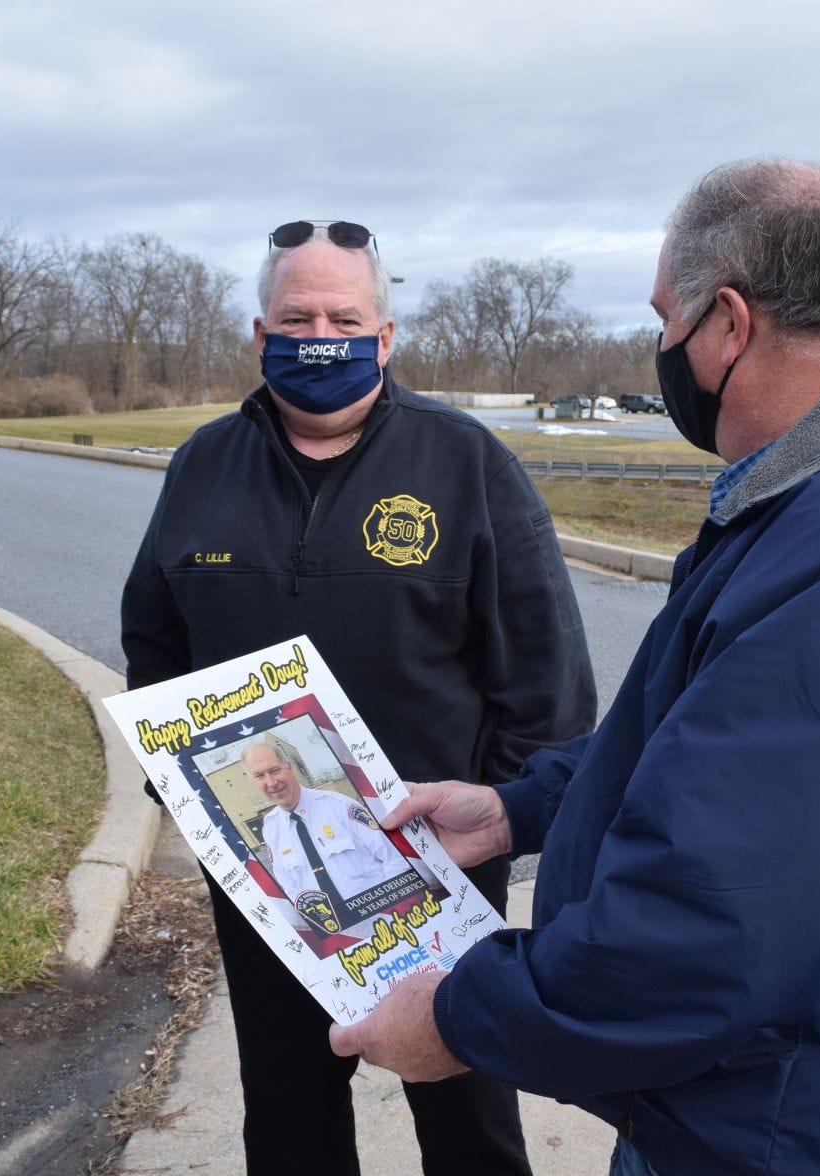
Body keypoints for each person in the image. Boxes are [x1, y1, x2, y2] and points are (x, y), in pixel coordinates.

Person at [330, 161, 820, 1176]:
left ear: (724, 326)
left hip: (797, 1129)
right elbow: (710, 753)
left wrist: (459, 1019)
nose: (660, 346)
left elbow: (707, 920)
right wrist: (516, 809)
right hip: (771, 1101)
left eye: (663, 318)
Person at [122, 218, 596, 1176]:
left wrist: (504, 818)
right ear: (260, 335)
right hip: (270, 875)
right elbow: (156, 640)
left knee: (466, 1112)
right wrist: (188, 790)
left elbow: (546, 679)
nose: (321, 333)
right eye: (298, 316)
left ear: (385, 336)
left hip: (436, 864)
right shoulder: (204, 466)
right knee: (289, 1109)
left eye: (346, 315)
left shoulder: (465, 464)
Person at [243, 735, 417, 925]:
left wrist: (394, 912)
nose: (271, 782)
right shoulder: (271, 828)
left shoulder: (339, 806)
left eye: (274, 770)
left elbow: (395, 860)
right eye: (260, 776)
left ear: (289, 767)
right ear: (254, 781)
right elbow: (291, 887)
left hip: (388, 918)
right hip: (336, 932)